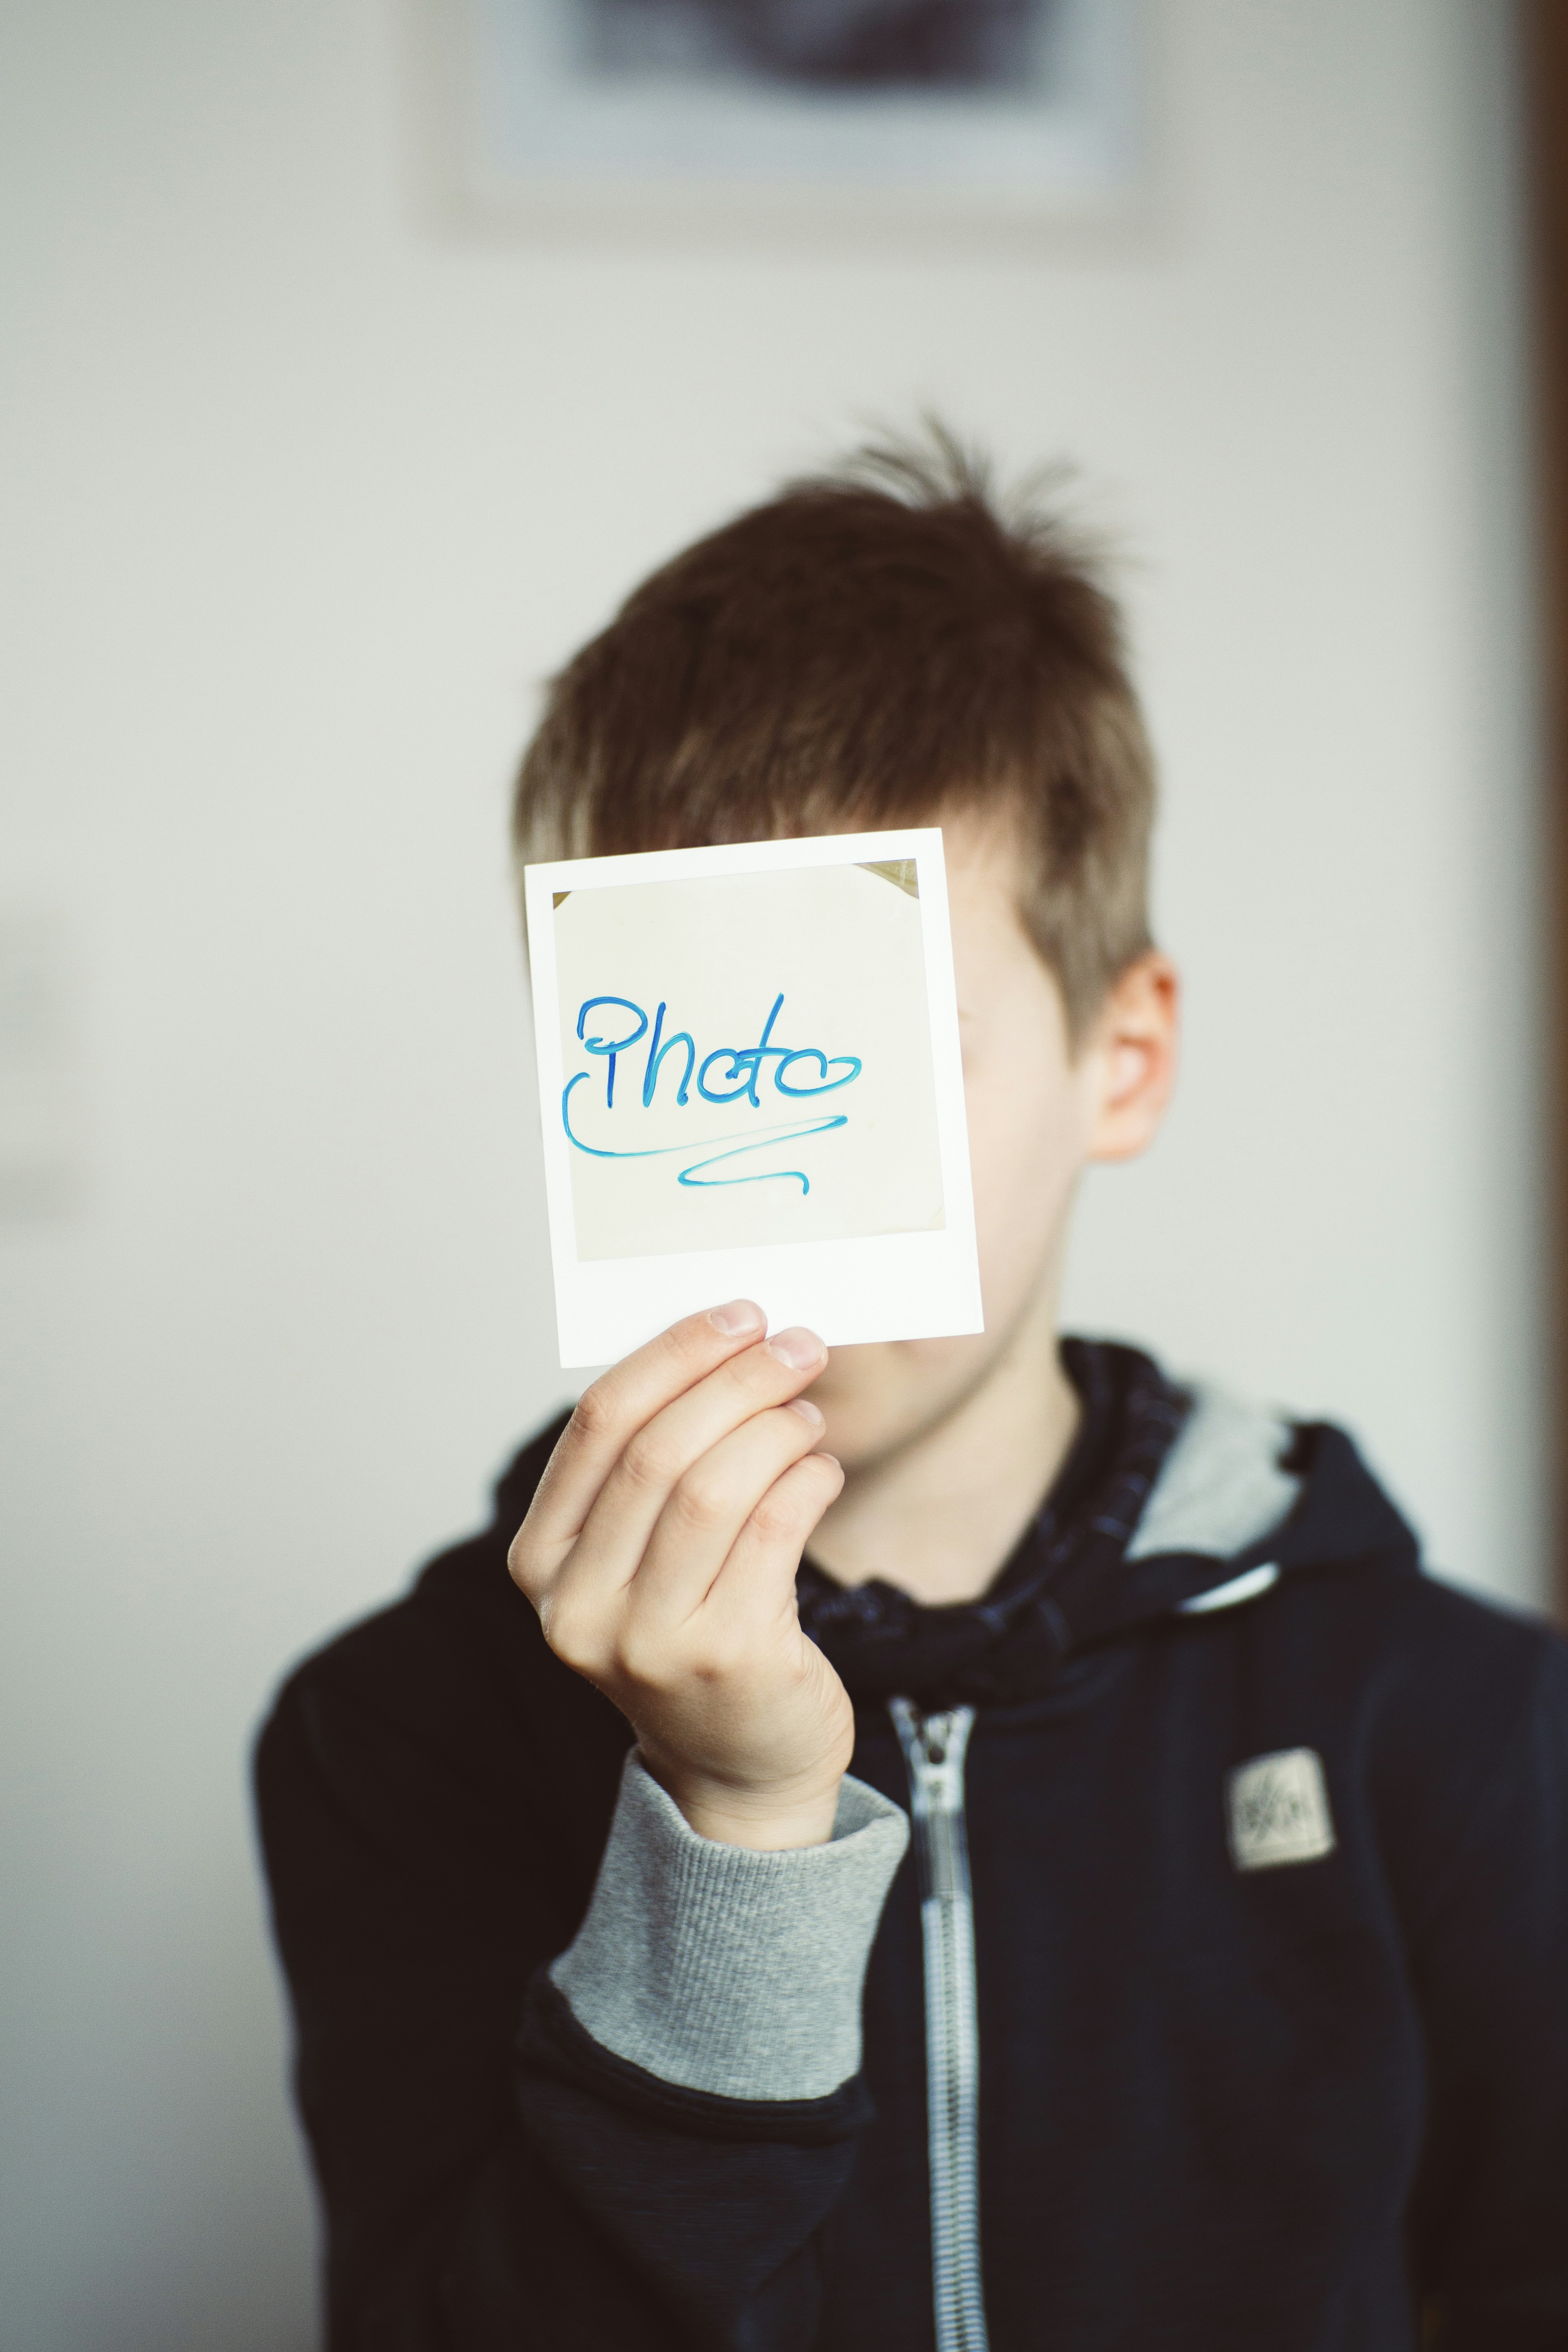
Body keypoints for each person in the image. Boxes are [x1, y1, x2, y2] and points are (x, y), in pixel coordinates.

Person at [255, 432, 1568, 2352]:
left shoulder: (1457, 1727)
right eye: (681, 1058)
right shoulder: (396, 1735)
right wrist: (729, 1836)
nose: (766, 1179)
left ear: (1122, 1060)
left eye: (876, 1060)